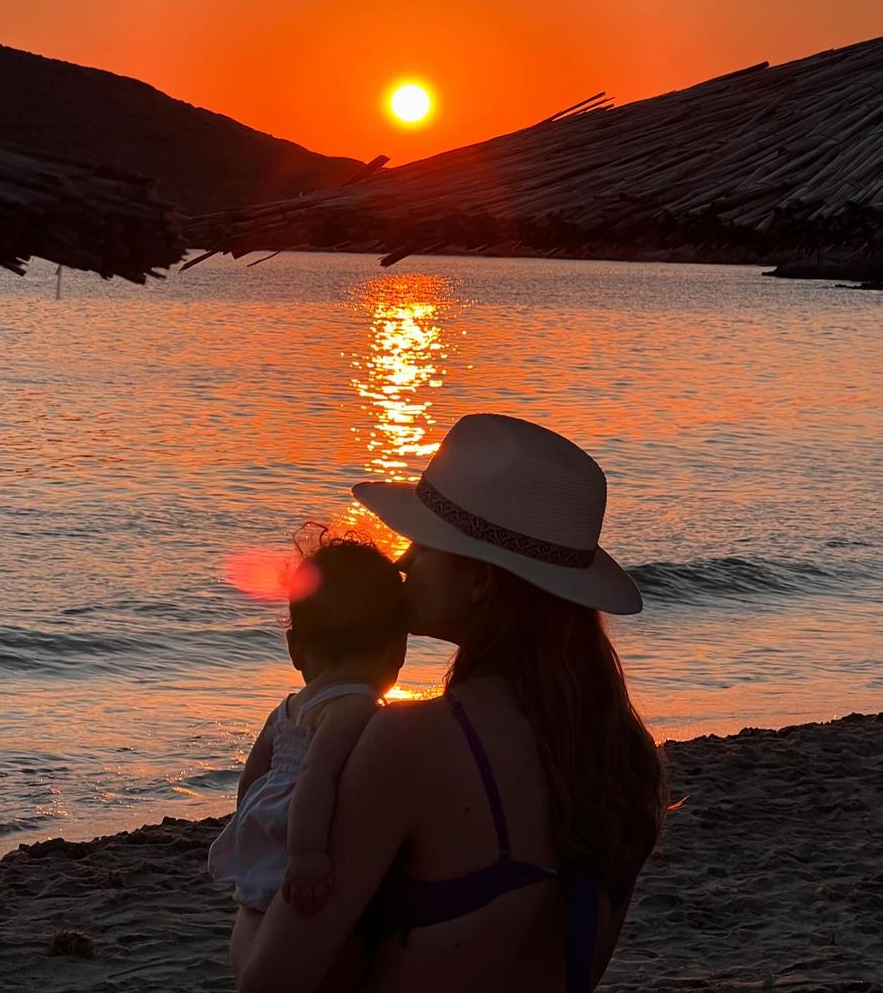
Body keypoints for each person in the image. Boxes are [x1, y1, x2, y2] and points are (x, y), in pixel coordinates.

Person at [235, 413, 666, 993]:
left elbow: (270, 980)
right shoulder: (624, 753)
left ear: (480, 584)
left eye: (425, 543)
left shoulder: (411, 744)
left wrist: (250, 888)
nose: (404, 562)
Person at [210, 537, 407, 974]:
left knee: (265, 910)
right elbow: (317, 775)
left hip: (268, 823)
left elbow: (253, 778)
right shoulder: (355, 704)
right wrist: (307, 855)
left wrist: (247, 827)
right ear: (398, 648)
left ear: (295, 647)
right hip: (306, 829)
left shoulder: (288, 706)